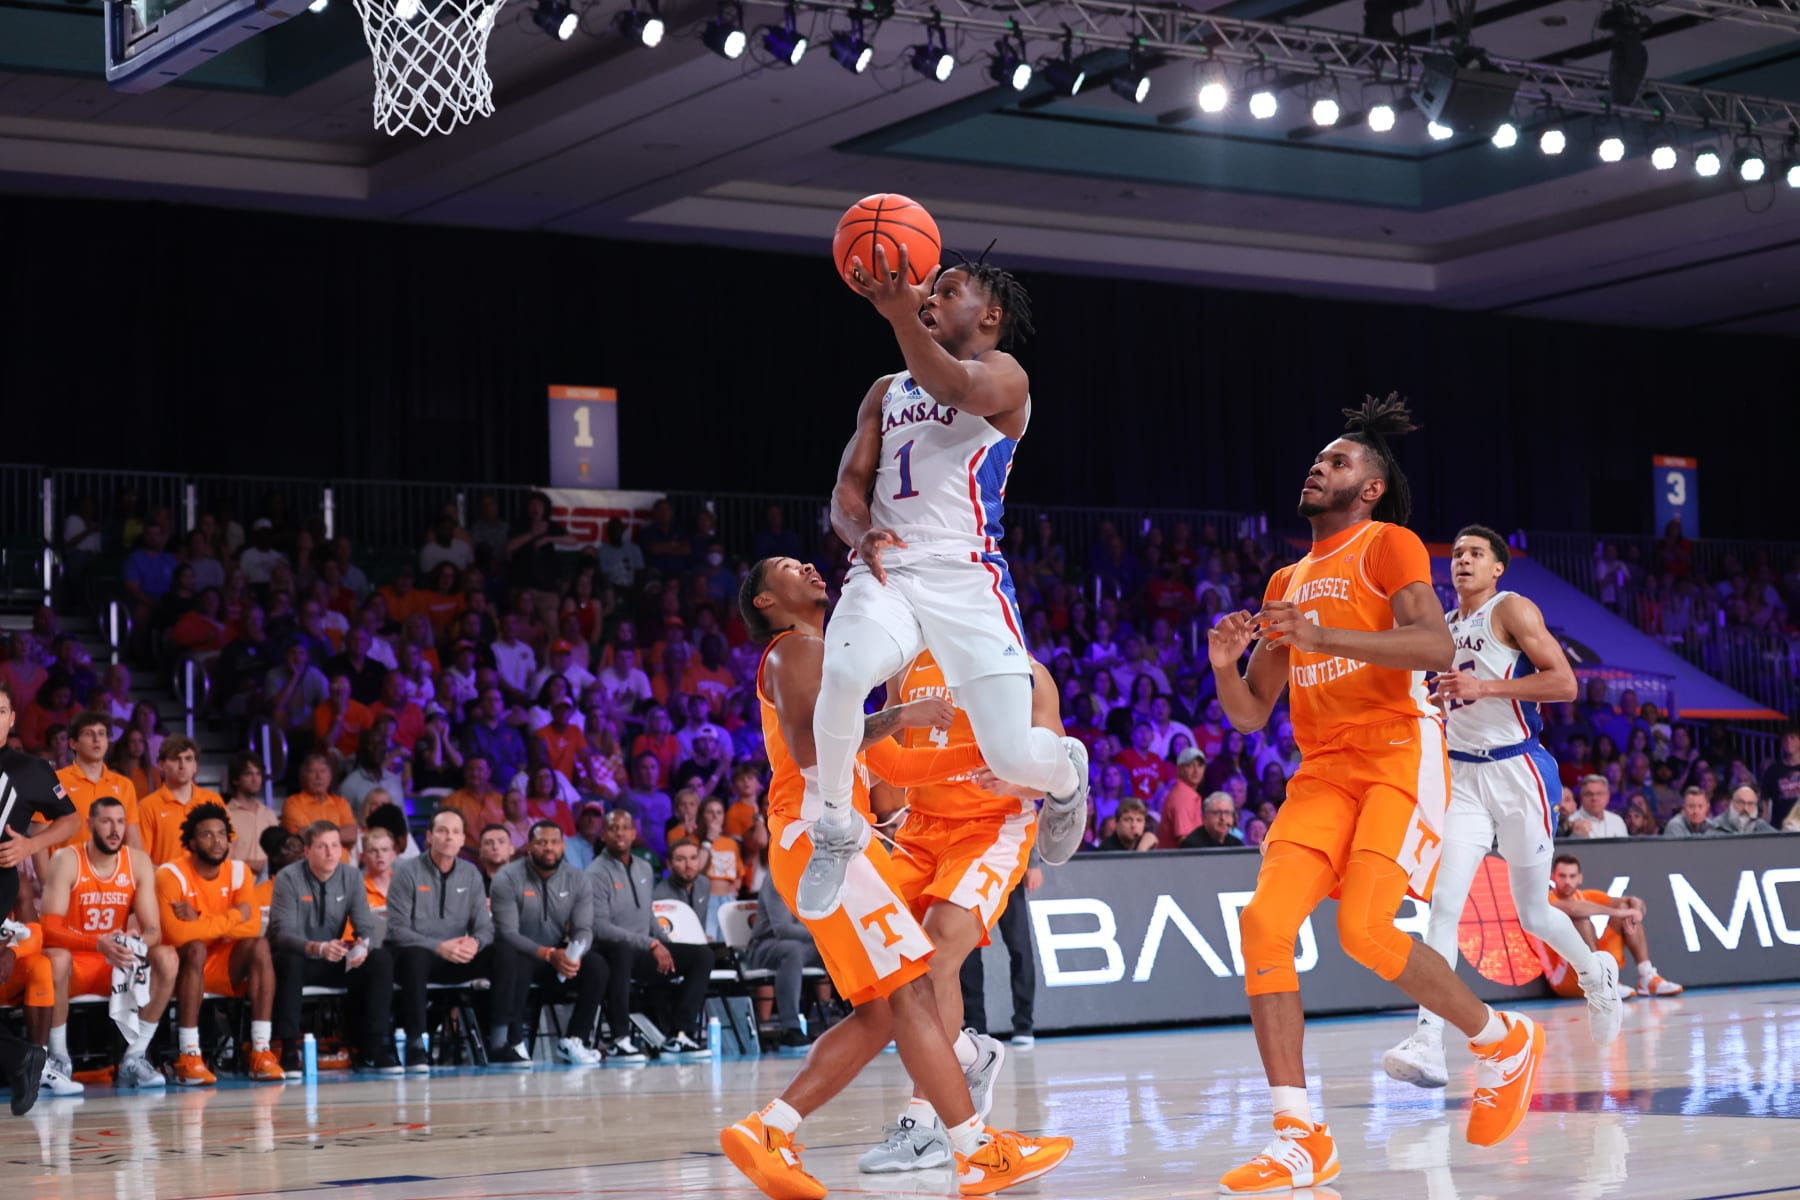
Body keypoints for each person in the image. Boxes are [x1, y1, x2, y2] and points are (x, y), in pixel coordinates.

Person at [1206, 396, 1544, 1192]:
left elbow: (1430, 644)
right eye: (1318, 460)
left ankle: (1500, 1039)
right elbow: (1254, 714)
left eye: (1337, 463)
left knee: (1365, 931)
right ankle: (1300, 1136)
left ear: (1371, 489)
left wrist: (1324, 636)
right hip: (1322, 769)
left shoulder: (1387, 544)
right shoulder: (1286, 576)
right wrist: (1225, 666)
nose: (1317, 469)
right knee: (1262, 925)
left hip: (1398, 752)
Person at [721, 555, 1072, 1199]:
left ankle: (774, 1131)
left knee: (885, 1010)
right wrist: (899, 718)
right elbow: (809, 747)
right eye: (784, 568)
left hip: (836, 842)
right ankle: (975, 1149)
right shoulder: (795, 650)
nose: (806, 566)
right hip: (826, 840)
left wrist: (1021, 759)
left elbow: (899, 768)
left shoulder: (830, 659)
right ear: (767, 602)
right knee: (913, 991)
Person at [803, 250, 1090, 925]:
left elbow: (956, 388)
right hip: (889, 567)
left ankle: (1066, 772)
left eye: (947, 290)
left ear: (988, 315)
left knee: (1012, 755)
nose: (929, 298)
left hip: (968, 575)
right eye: (926, 293)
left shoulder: (1005, 376)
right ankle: (837, 828)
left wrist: (903, 314)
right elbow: (847, 486)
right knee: (842, 673)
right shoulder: (885, 389)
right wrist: (858, 531)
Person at [1384, 525, 1622, 1093]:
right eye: (1458, 553)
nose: (1462, 561)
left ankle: (1596, 974)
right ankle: (1428, 1041)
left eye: (1475, 554)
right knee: (1443, 908)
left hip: (1518, 772)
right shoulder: (1441, 626)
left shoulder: (1510, 609)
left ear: (1497, 568)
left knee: (1533, 914)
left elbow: (1564, 683)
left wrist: (1484, 689)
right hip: (1462, 776)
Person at [40, 796, 178, 1089]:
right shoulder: (66, 859)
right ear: (90, 825)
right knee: (56, 958)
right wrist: (96, 944)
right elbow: (49, 929)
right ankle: (58, 1059)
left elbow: (153, 929)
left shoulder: (137, 861)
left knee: (166, 957)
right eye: (106, 821)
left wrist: (137, 939)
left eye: (120, 821)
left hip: (115, 964)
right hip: (75, 967)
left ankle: (136, 1055)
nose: (115, 829)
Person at [153, 802, 284, 1084]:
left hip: (223, 964)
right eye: (207, 835)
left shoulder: (239, 872)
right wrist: (232, 918)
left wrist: (200, 917)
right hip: (180, 969)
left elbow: (249, 927)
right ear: (191, 842)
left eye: (222, 834)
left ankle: (261, 1050)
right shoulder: (170, 874)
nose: (216, 841)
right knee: (196, 947)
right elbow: (177, 935)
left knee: (259, 945)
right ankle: (189, 1055)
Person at [0, 681, 81, 1114]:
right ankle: (21, 1057)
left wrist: (31, 846)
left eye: (0, 711)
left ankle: (22, 1058)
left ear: (13, 719)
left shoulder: (29, 769)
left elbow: (70, 820)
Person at [268, 822, 400, 1076]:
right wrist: (318, 948)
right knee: (289, 960)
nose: (330, 853)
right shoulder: (288, 878)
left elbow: (366, 927)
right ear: (307, 851)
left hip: (334, 956)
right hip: (300, 957)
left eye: (335, 846)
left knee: (380, 959)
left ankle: (374, 1046)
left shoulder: (351, 877)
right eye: (322, 846)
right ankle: (288, 1051)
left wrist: (363, 946)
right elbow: (284, 935)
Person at [585, 809, 712, 1060]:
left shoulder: (643, 868)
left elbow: (648, 915)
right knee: (620, 952)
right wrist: (652, 943)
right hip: (613, 952)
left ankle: (680, 1034)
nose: (620, 832)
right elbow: (600, 926)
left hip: (644, 951)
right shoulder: (595, 873)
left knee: (702, 956)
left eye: (625, 827)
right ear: (603, 835)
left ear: (634, 834)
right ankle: (620, 1039)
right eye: (613, 828)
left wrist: (665, 944)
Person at [488, 820, 607, 1067]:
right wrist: (548, 954)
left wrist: (573, 955)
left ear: (563, 846)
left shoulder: (578, 879)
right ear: (529, 846)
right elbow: (507, 932)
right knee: (512, 958)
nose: (548, 848)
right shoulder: (507, 877)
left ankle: (575, 1039)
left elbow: (584, 928)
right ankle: (514, 1040)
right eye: (541, 842)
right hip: (520, 954)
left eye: (554, 842)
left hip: (557, 958)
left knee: (596, 966)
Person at [386, 809, 495, 1073]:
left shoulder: (471, 874)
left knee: (503, 953)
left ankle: (502, 1040)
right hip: (420, 957)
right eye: (442, 831)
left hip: (459, 956)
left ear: (462, 839)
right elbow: (397, 929)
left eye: (455, 832)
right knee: (414, 957)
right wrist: (438, 946)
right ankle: (415, 1044)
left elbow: (484, 927)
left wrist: (475, 943)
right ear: (428, 837)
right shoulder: (406, 872)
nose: (449, 837)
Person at [1547, 854, 1682, 998]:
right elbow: (1573, 909)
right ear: (1552, 877)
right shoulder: (1546, 899)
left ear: (1580, 878)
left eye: (1572, 876)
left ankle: (1646, 976)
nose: (1567, 881)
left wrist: (1635, 909)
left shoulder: (1586, 895)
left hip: (1588, 969)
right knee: (1580, 919)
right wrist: (1620, 912)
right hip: (1563, 979)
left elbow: (1629, 901)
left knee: (1625, 909)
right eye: (1562, 876)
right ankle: (1600, 980)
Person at [743, 873, 825, 1050]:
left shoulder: (821, 876)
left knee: (847, 947)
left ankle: (865, 1017)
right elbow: (782, 929)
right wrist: (823, 934)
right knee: (792, 950)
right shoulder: (777, 878)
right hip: (767, 946)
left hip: (807, 944)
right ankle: (790, 1028)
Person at [654, 840, 722, 940]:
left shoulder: (704, 883)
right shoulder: (660, 895)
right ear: (669, 865)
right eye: (680, 859)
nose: (688, 865)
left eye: (693, 858)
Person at [1155, 748, 1208, 845]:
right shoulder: (1182, 797)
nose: (1196, 771)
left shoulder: (1188, 794)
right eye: (1190, 766)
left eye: (1200, 765)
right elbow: (1184, 840)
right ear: (1179, 769)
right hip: (1177, 859)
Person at [1569, 774, 1629, 839]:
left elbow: (1625, 848)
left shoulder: (1617, 821)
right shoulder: (1571, 821)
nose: (1594, 798)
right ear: (1581, 797)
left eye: (1599, 794)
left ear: (1607, 796)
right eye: (1589, 794)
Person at [1178, 793, 1244, 849]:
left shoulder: (1236, 844)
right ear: (1205, 818)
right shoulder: (1192, 845)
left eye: (1227, 813)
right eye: (1216, 813)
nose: (1223, 818)